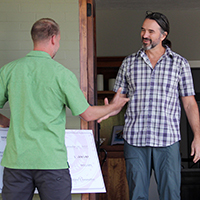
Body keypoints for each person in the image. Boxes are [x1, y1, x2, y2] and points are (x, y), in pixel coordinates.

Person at [0, 18, 129, 200]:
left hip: (16, 162)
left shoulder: (9, 71)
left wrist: (5, 121)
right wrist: (114, 107)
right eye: (59, 41)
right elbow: (87, 113)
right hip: (51, 163)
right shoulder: (62, 74)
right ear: (54, 38)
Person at [103, 11, 200, 200]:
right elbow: (118, 100)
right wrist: (107, 110)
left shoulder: (180, 64)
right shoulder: (129, 63)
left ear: (163, 35)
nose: (145, 35)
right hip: (135, 141)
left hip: (168, 140)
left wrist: (198, 136)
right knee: (137, 196)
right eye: (143, 30)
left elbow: (189, 104)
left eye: (151, 31)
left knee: (171, 195)